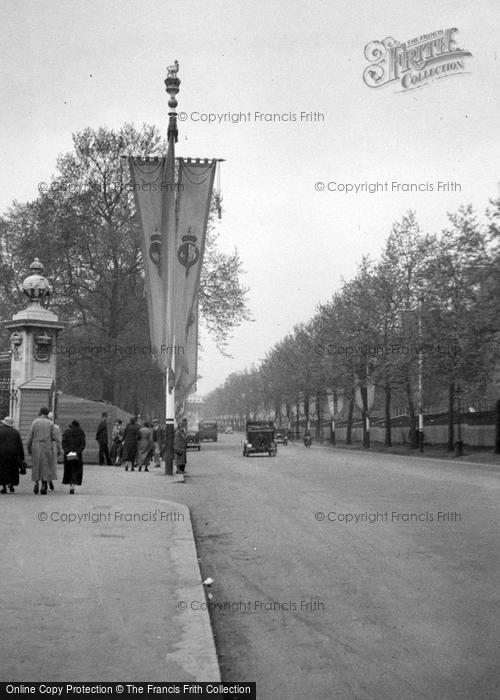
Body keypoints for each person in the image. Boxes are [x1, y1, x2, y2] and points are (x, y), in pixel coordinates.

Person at [27, 406, 57, 494]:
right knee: (46, 465)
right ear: (47, 413)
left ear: (40, 412)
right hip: (47, 446)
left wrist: (28, 447)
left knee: (36, 465)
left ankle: (36, 483)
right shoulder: (50, 423)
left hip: (36, 446)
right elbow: (54, 436)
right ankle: (44, 485)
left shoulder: (35, 422)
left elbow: (30, 436)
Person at [0, 416, 25, 494]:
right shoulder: (16, 432)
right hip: (13, 454)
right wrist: (22, 456)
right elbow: (20, 445)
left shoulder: (0, 431)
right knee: (12, 469)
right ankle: (11, 484)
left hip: (2, 453)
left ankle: (3, 486)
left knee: (2, 470)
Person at [61, 420, 86, 494]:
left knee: (70, 469)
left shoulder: (66, 432)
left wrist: (68, 451)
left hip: (69, 454)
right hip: (77, 454)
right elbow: (83, 444)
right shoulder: (81, 432)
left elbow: (64, 443)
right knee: (76, 470)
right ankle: (73, 485)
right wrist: (78, 451)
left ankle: (70, 484)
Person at [47, 411, 62, 491]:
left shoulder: (42, 426)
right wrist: (59, 449)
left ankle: (44, 480)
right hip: (53, 446)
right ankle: (50, 479)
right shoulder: (56, 427)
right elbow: (58, 440)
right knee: (51, 464)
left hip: (44, 445)